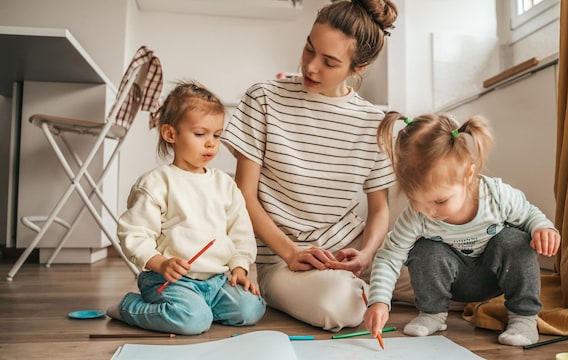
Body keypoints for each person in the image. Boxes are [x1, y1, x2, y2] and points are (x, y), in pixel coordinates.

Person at [221, 0, 399, 331]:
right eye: (308, 49)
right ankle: (368, 294)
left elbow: (379, 209)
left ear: (357, 68)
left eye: (329, 62)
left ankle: (374, 288)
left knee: (447, 275)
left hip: (352, 248)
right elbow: (243, 194)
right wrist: (289, 253)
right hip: (284, 260)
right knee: (341, 307)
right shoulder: (263, 98)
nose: (311, 67)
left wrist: (368, 254)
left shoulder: (375, 122)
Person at [364, 111, 561, 346]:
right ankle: (432, 314)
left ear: (468, 175)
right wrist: (379, 301)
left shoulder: (496, 196)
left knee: (515, 240)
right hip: (453, 283)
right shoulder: (416, 216)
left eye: (439, 201)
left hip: (494, 278)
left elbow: (530, 214)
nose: (430, 212)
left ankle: (523, 318)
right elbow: (389, 256)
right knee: (425, 248)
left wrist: (543, 229)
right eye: (416, 200)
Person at [107, 81, 266, 335]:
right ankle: (128, 307)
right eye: (200, 134)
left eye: (217, 135)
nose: (211, 144)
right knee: (193, 321)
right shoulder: (157, 183)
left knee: (252, 309)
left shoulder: (224, 184)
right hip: (168, 280)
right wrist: (160, 263)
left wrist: (239, 269)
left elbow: (241, 232)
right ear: (171, 135)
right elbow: (135, 234)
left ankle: (194, 310)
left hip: (215, 280)